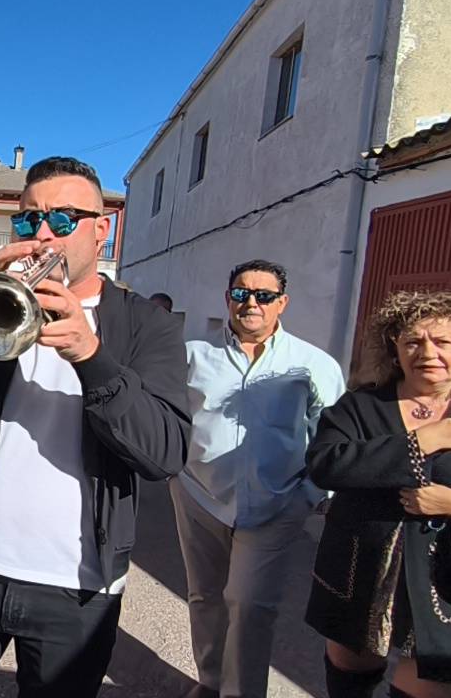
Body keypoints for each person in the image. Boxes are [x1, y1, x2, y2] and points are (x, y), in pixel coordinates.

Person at [0, 156, 190, 697]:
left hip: (78, 590)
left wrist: (92, 355)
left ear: (101, 231)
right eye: (28, 219)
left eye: (62, 220)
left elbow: (163, 452)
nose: (41, 234)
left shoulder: (146, 325)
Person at [174, 260, 345, 698]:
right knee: (205, 596)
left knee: (250, 606)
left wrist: (311, 494)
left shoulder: (312, 364)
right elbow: (171, 418)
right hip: (200, 495)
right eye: (241, 293)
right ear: (227, 299)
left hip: (276, 503)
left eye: (264, 295)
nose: (251, 303)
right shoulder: (193, 355)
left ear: (281, 303)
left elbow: (332, 435)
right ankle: (211, 681)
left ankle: (242, 692)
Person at [305, 291, 451, 698]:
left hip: (443, 585)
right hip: (358, 572)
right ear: (395, 349)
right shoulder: (360, 406)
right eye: (413, 342)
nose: (428, 353)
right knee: (351, 680)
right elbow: (326, 463)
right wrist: (422, 441)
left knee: (428, 686)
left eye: (442, 342)